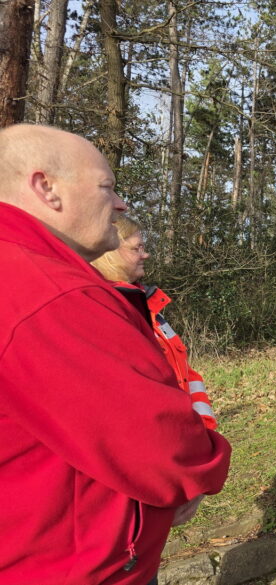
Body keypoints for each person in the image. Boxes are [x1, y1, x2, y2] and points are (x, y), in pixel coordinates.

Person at [0, 124, 231, 585]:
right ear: (46, 188)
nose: (121, 202)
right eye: (107, 186)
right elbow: (154, 441)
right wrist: (204, 465)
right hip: (71, 565)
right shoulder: (52, 294)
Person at [92, 217, 217, 430]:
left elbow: (186, 374)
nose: (145, 254)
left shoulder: (146, 304)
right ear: (110, 254)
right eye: (136, 248)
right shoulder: (105, 308)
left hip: (186, 434)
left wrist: (204, 426)